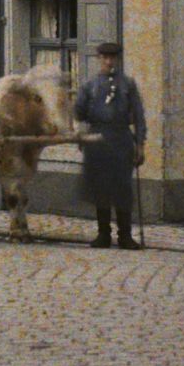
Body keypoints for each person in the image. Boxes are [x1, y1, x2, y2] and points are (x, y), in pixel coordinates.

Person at [73, 40, 146, 249]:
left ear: (117, 59)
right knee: (100, 189)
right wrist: (76, 108)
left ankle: (125, 236)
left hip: (121, 139)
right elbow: (79, 113)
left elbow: (139, 116)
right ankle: (103, 234)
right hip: (97, 139)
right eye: (105, 58)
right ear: (99, 59)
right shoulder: (90, 86)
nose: (109, 61)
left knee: (123, 188)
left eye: (112, 58)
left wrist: (140, 144)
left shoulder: (128, 85)